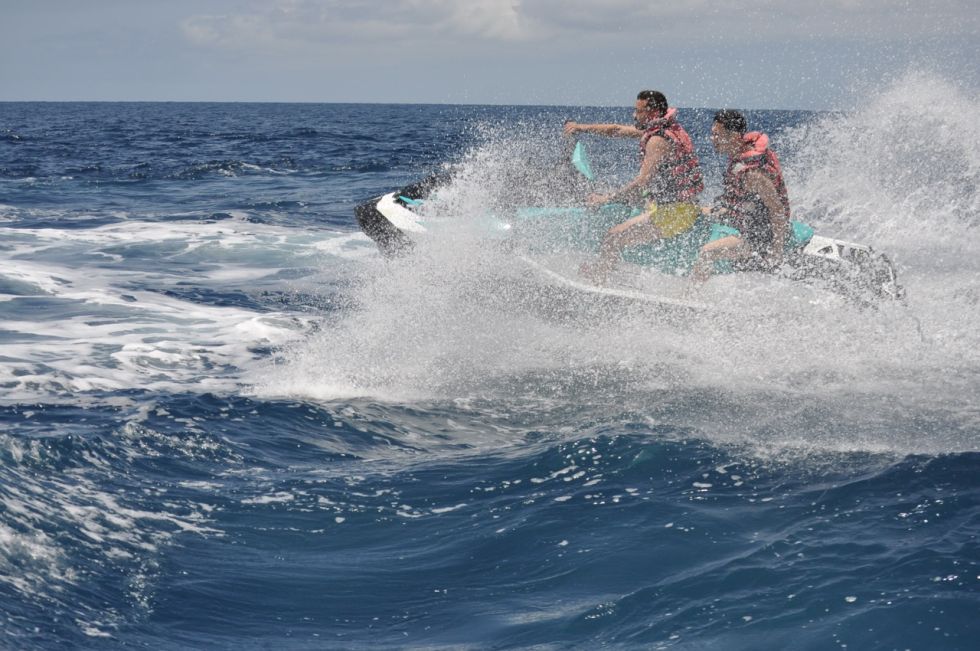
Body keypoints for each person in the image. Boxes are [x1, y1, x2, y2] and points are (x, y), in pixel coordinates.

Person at [564, 90, 703, 283]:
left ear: (652, 112)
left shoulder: (657, 141)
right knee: (624, 214)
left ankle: (599, 282)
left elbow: (641, 182)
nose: (634, 115)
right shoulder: (666, 128)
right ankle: (609, 270)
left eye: (638, 111)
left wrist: (606, 198)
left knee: (612, 237)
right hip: (671, 207)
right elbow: (617, 130)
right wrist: (580, 127)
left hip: (674, 213)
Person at [691, 110, 791, 283]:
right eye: (712, 134)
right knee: (697, 211)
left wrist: (776, 250)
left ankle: (690, 298)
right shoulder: (740, 157)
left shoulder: (752, 173)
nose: (712, 139)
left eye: (717, 135)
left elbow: (777, 209)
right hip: (745, 219)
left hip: (759, 237)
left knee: (706, 252)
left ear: (734, 137)